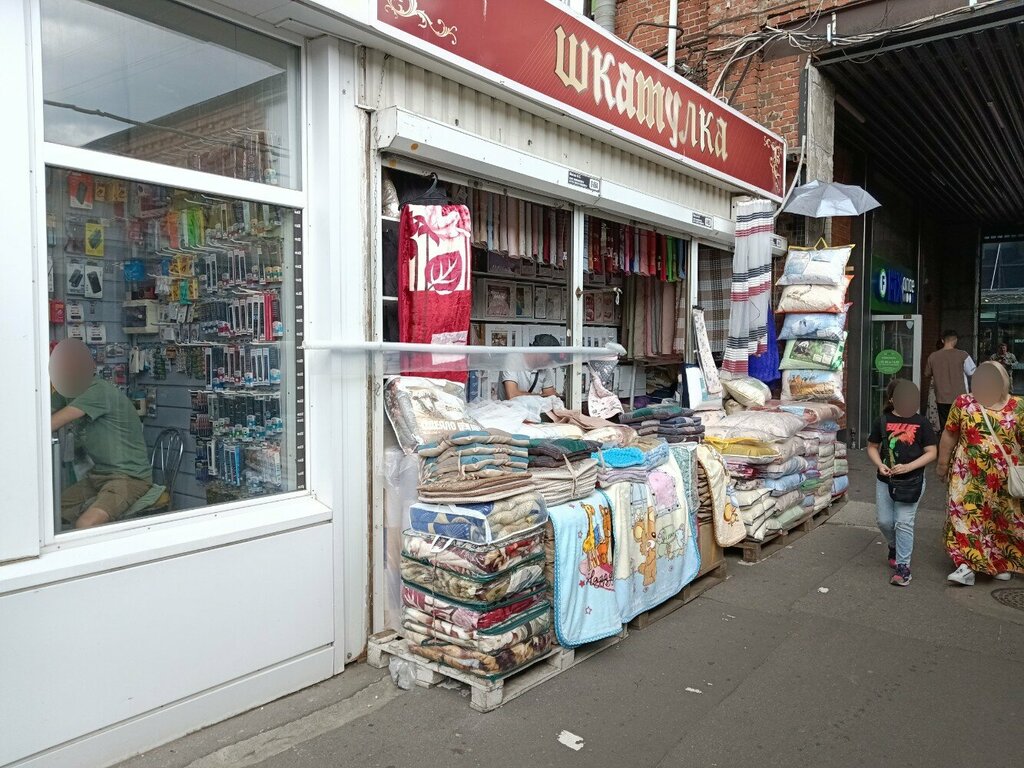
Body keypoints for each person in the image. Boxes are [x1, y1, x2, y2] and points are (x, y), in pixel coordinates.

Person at [50, 339, 153, 529]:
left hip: (129, 478)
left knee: (85, 524)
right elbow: (39, 417)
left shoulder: (97, 390)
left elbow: (51, 423)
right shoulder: (68, 390)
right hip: (98, 476)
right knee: (47, 515)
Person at [937, 361, 1024, 585]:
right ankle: (967, 565)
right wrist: (942, 464)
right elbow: (949, 434)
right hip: (967, 475)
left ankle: (999, 563)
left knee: (1000, 520)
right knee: (966, 516)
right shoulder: (964, 403)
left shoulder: (1018, 406)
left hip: (1005, 479)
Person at [866, 379, 937, 586]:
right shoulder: (882, 421)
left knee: (904, 522)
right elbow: (872, 446)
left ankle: (903, 567)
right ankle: (894, 546)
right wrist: (880, 464)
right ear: (892, 399)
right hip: (885, 480)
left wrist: (909, 467)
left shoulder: (922, 423)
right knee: (884, 521)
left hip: (912, 481)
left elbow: (932, 452)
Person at [924, 329, 977, 430]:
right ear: (955, 340)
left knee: (945, 426)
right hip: (960, 397)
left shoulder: (933, 356)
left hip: (941, 397)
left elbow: (927, 373)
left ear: (942, 340)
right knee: (961, 425)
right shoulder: (963, 355)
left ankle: (945, 439)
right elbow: (972, 372)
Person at [499, 333, 560, 400]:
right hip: (511, 407)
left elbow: (551, 395)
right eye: (550, 358)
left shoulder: (544, 368)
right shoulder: (512, 359)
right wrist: (541, 396)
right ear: (540, 352)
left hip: (533, 406)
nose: (551, 362)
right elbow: (512, 395)